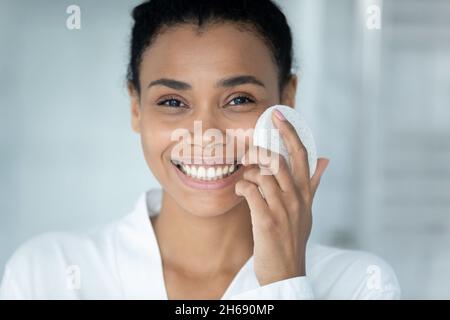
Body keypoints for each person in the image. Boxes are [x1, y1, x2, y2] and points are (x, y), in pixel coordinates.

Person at [0, 0, 400, 299]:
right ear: (136, 107)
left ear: (287, 98)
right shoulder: (48, 273)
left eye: (239, 99)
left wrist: (285, 281)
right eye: (173, 102)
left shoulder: (358, 284)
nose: (206, 134)